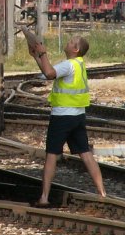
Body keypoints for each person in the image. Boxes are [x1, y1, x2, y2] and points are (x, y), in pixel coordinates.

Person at [29, 34, 107, 205]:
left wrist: (43, 54)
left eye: (71, 42)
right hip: (78, 116)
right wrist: (37, 57)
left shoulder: (68, 65)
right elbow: (48, 72)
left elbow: (49, 73)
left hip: (62, 116)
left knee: (51, 155)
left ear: (75, 49)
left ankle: (44, 198)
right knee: (86, 154)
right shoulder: (78, 65)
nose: (68, 42)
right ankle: (102, 193)